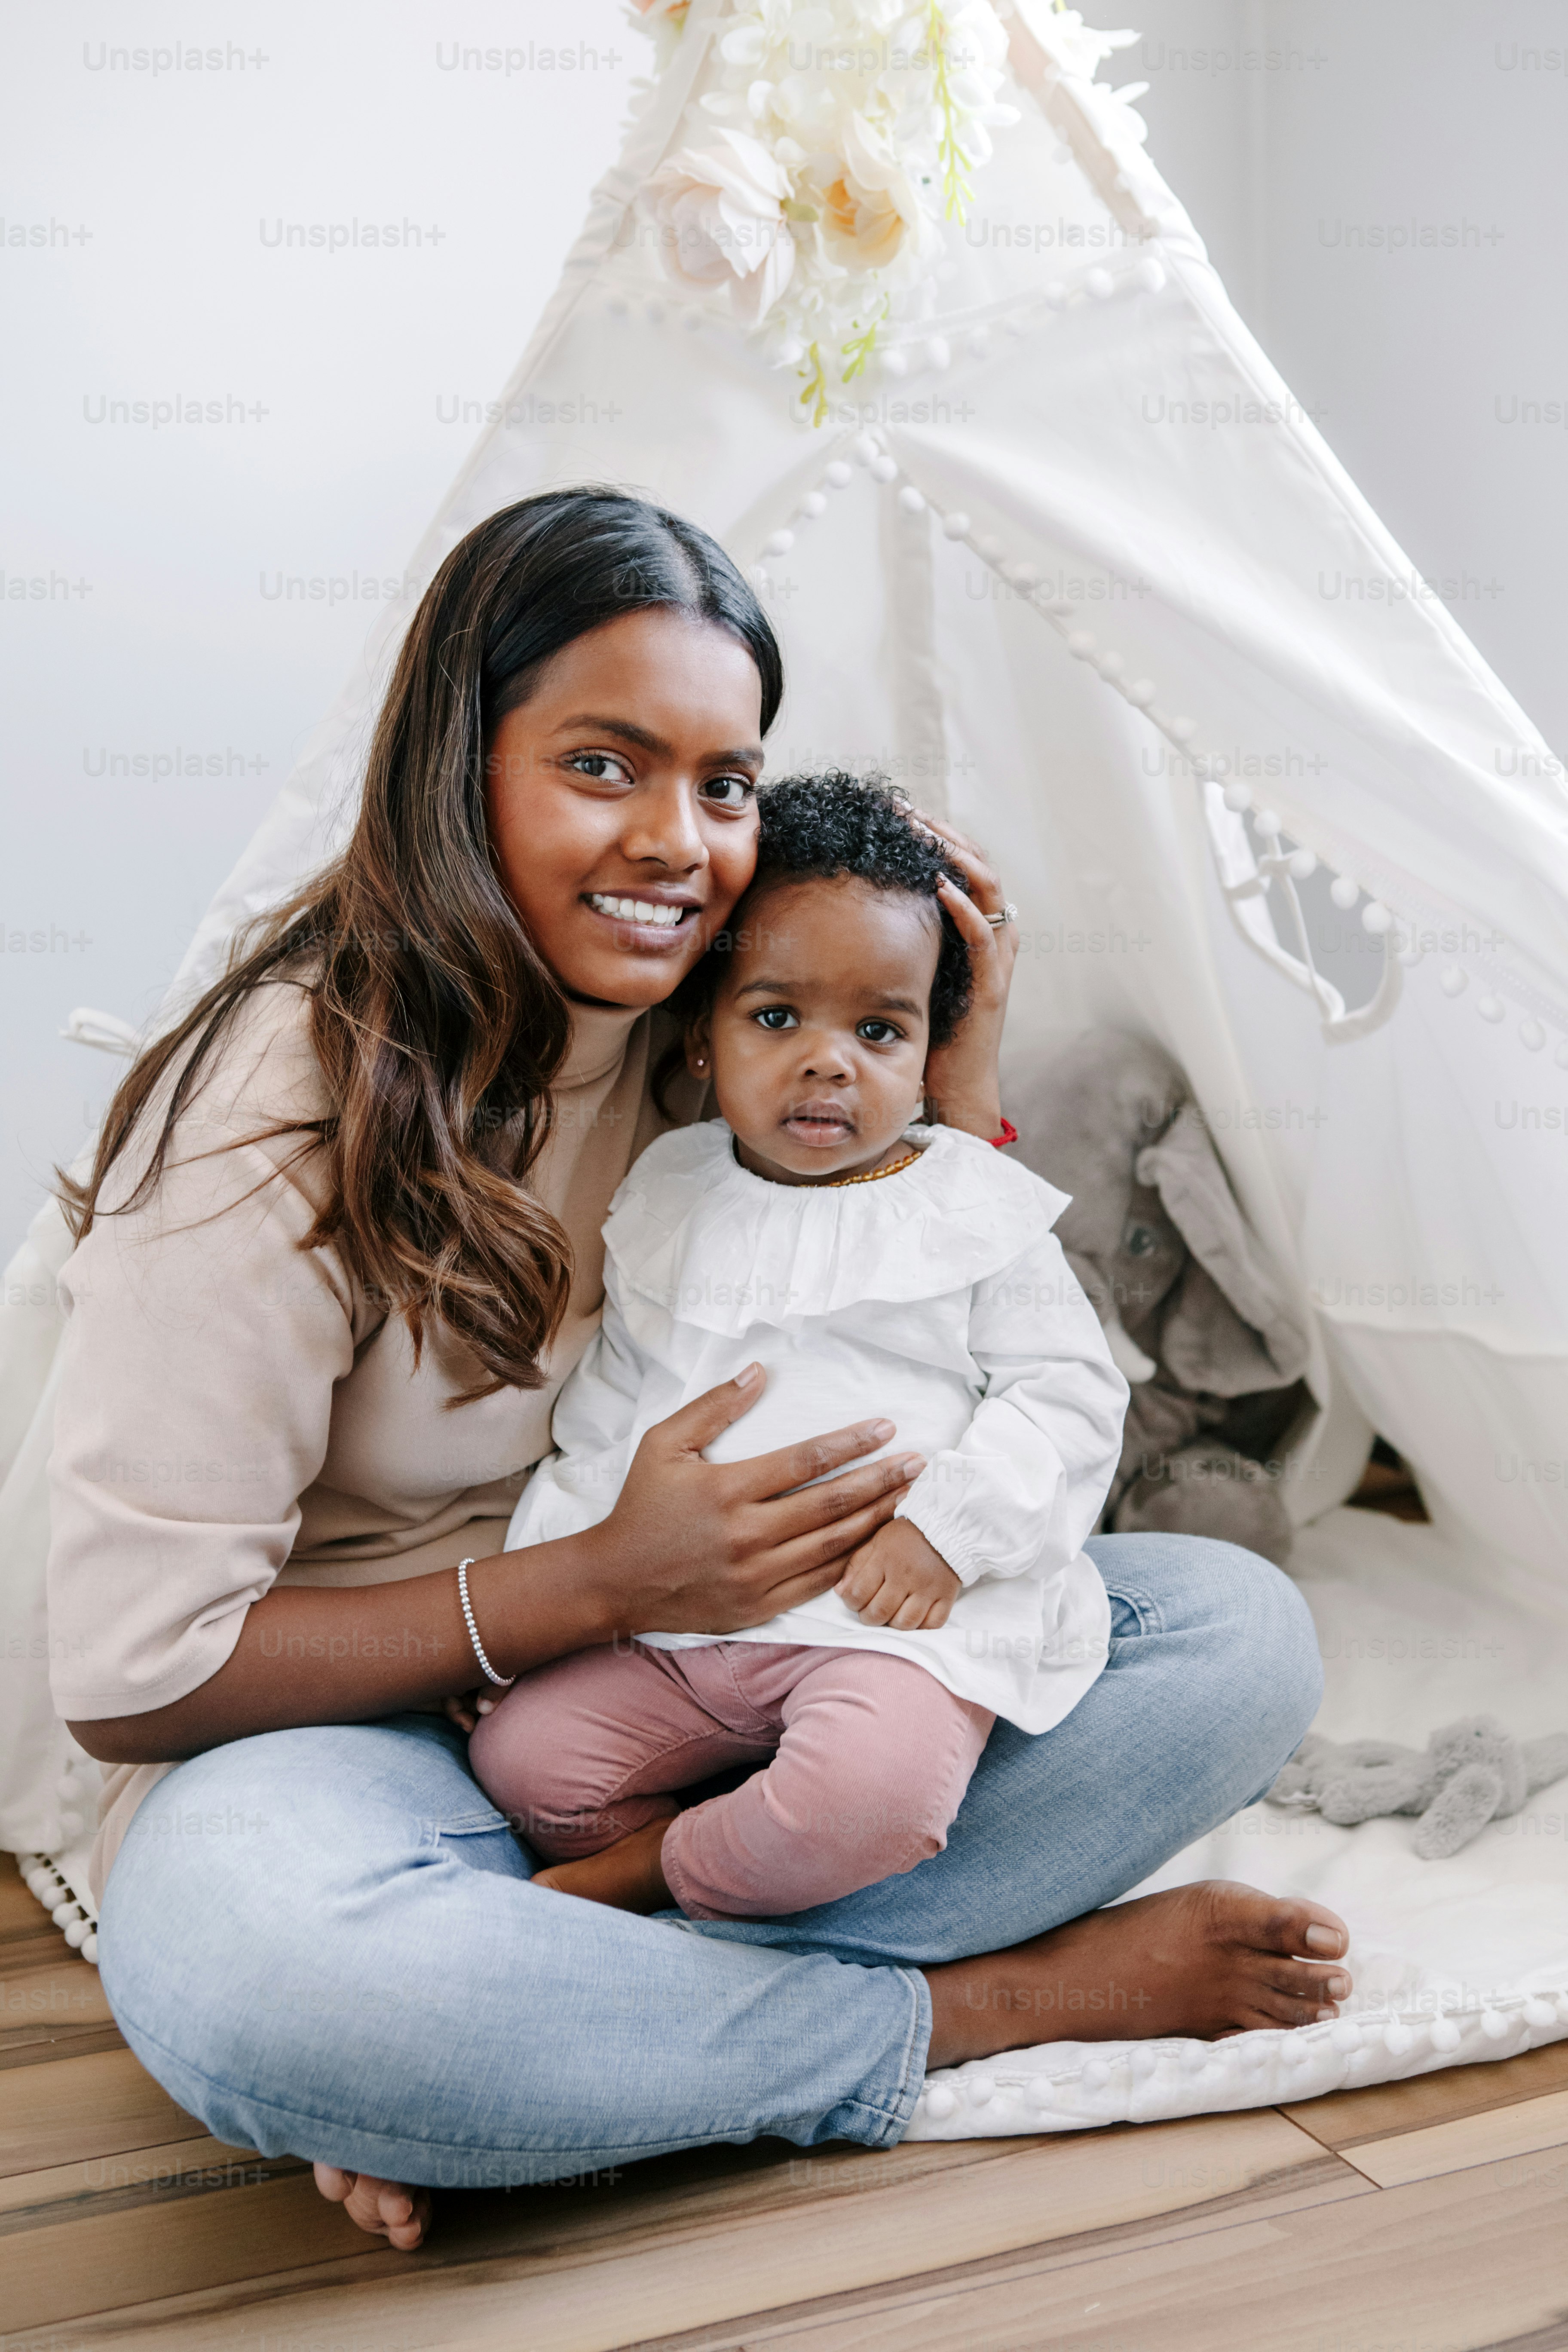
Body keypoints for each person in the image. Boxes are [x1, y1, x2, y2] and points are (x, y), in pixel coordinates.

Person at [48, 490, 1348, 2254]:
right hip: (341, 1735)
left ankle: (553, 2023)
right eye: (605, 764)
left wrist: (953, 1085)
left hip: (724, 1675)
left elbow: (951, 1346)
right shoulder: (272, 1110)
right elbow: (136, 1679)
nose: (681, 843)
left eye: (725, 784)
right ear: (462, 768)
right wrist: (598, 1581)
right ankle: (979, 2008)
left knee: (1230, 1632)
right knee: (271, 1991)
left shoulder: (708, 1028)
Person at [467, 774, 1130, 1920]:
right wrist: (561, 1606)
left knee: (873, 1801)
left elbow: (1070, 1398)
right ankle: (746, 1848)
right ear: (704, 1043)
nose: (832, 1062)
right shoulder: (669, 1192)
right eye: (778, 1017)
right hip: (687, 1630)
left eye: (880, 1029)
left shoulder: (970, 1201)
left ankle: (657, 1873)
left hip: (889, 1628)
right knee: (528, 1767)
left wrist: (947, 1532)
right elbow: (607, 1416)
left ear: (932, 1052)